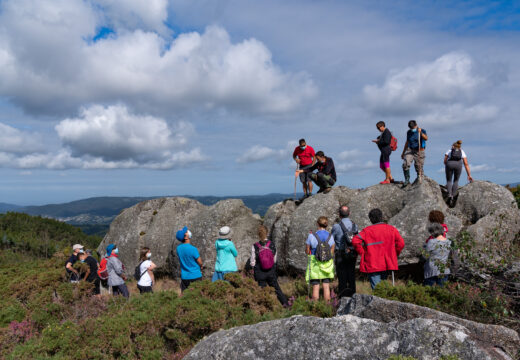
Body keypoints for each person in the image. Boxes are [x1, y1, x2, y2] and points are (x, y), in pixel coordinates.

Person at [352, 209, 405, 290]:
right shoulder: (391, 229)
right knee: (384, 288)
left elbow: (355, 240)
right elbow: (401, 243)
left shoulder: (367, 230)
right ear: (381, 217)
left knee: (377, 290)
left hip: (373, 263)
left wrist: (362, 252)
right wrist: (395, 253)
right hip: (387, 262)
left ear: (371, 219)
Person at [251, 225, 288, 306]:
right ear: (267, 233)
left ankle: (264, 308)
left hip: (260, 272)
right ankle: (285, 304)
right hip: (270, 271)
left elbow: (252, 261)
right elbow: (274, 260)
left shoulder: (255, 246)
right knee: (277, 289)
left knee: (262, 291)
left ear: (258, 234)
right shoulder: (272, 244)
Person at [331, 206, 358, 298]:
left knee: (342, 277)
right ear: (349, 213)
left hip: (340, 253)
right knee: (351, 275)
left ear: (339, 214)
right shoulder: (355, 225)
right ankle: (353, 296)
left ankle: (342, 297)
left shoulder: (336, 226)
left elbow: (331, 240)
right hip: (352, 253)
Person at [305, 216, 335, 301]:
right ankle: (328, 305)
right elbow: (332, 251)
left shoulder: (311, 236)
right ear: (326, 225)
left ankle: (314, 306)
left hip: (315, 263)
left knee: (316, 285)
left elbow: (307, 251)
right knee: (326, 286)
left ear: (317, 224)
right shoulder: (330, 236)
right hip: (327, 264)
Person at [444, 140, 473, 205]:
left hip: (449, 164)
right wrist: (469, 175)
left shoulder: (449, 151)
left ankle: (449, 195)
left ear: (453, 146)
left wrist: (448, 165)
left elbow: (445, 161)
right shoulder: (462, 152)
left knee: (449, 181)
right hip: (458, 165)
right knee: (456, 181)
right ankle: (453, 197)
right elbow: (466, 163)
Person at [175, 226, 203, 293]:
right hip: (195, 276)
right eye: (187, 231)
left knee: (185, 296)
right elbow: (200, 262)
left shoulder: (178, 249)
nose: (188, 231)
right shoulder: (193, 249)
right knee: (197, 295)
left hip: (185, 277)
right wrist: (201, 266)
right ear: (185, 237)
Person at [401, 120, 428, 186]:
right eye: (411, 128)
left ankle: (420, 178)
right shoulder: (409, 132)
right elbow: (407, 142)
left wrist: (420, 132)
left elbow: (426, 138)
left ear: (416, 125)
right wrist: (403, 152)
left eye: (413, 128)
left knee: (418, 166)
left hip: (419, 150)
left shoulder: (422, 130)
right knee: (405, 163)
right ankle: (407, 180)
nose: (412, 129)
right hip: (410, 150)